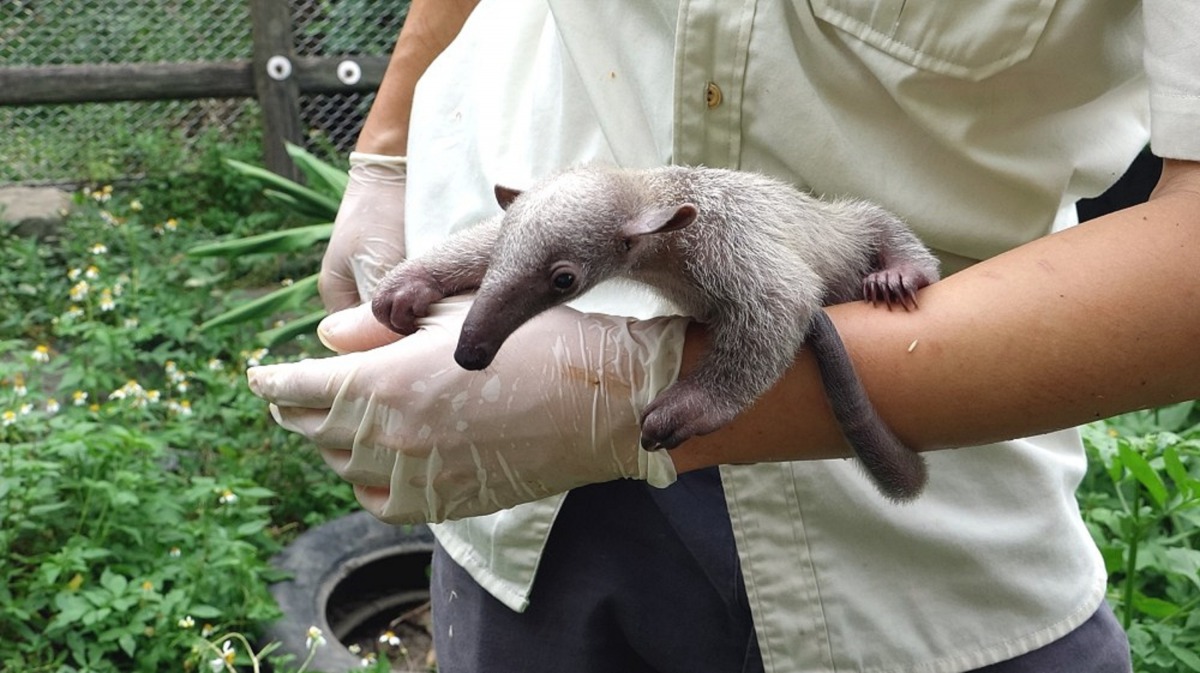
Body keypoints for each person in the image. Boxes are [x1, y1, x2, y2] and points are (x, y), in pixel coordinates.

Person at [247, 1, 1200, 671]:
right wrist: (389, 150)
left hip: (909, 542)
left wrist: (644, 390)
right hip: (512, 512)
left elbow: (778, 306)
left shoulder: (726, 247)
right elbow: (522, 253)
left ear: (653, 238)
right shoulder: (589, 226)